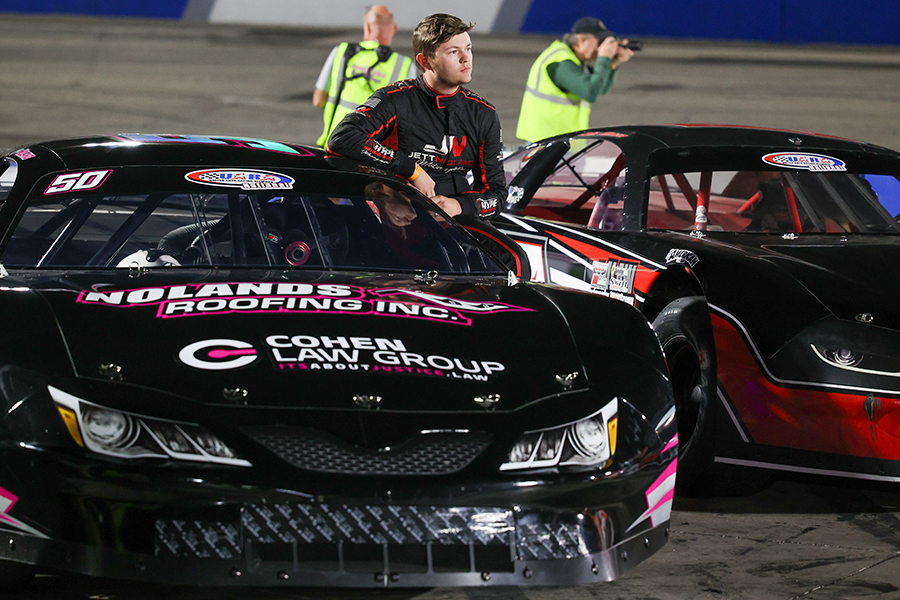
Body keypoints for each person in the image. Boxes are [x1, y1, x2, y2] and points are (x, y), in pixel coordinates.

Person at [327, 13, 507, 223]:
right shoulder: (395, 100)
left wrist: (459, 206)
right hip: (398, 219)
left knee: (513, 256)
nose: (466, 58)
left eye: (468, 49)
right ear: (425, 61)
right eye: (453, 51)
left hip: (457, 223)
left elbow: (497, 195)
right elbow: (342, 138)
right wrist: (411, 169)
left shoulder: (483, 113)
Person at [516, 16, 635, 143]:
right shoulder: (561, 62)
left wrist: (612, 64)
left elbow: (600, 89)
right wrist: (604, 58)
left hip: (562, 141)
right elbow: (590, 92)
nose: (600, 48)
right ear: (582, 39)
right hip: (546, 142)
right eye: (599, 42)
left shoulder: (574, 60)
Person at [312, 5, 417, 147]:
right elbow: (406, 120)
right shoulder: (404, 65)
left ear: (367, 27)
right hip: (372, 153)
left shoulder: (342, 51)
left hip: (334, 144)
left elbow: (318, 100)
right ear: (394, 29)